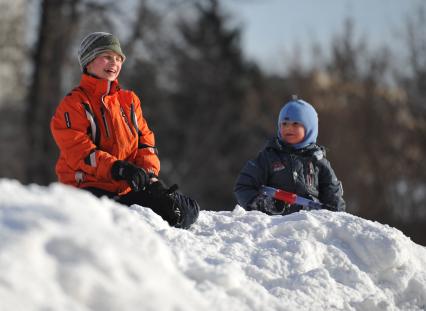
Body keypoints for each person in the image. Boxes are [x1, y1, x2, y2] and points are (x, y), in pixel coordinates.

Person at [50, 32, 199, 228]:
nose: (114, 62)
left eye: (118, 58)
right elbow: (79, 151)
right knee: (119, 222)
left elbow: (146, 142)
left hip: (126, 186)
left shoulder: (129, 101)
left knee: (185, 210)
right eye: (107, 56)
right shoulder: (74, 103)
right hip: (87, 187)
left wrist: (149, 177)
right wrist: (117, 168)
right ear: (89, 61)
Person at [234, 97, 345, 215]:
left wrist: (333, 218)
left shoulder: (318, 161)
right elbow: (243, 186)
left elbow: (333, 196)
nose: (288, 128)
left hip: (311, 224)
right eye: (284, 124)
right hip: (277, 225)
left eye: (295, 124)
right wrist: (262, 204)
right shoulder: (269, 157)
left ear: (309, 129)